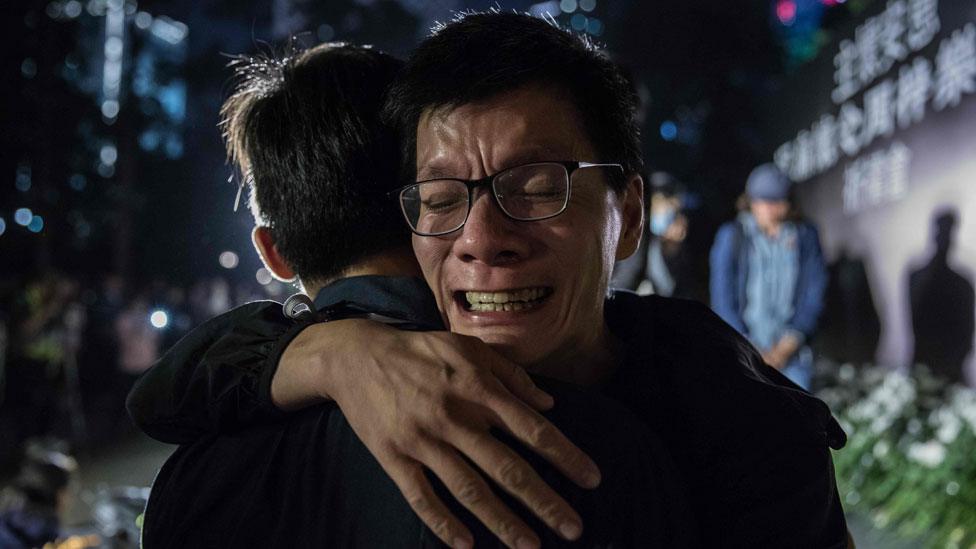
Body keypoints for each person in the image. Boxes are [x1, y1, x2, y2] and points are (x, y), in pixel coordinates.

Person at [131, 12, 850, 548]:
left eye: (537, 187)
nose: (482, 240)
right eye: (442, 198)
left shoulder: (738, 428)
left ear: (627, 214)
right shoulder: (601, 457)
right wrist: (331, 355)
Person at [709, 163, 828, 390]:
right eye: (764, 202)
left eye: (778, 202)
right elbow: (722, 296)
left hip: (793, 354)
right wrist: (749, 347)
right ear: (751, 201)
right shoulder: (732, 236)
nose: (771, 209)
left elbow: (815, 290)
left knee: (797, 417)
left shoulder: (805, 235)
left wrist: (791, 341)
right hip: (744, 350)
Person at [611, 172, 694, 297]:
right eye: (668, 206)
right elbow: (627, 277)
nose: (672, 215)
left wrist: (670, 252)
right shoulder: (630, 235)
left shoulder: (668, 245)